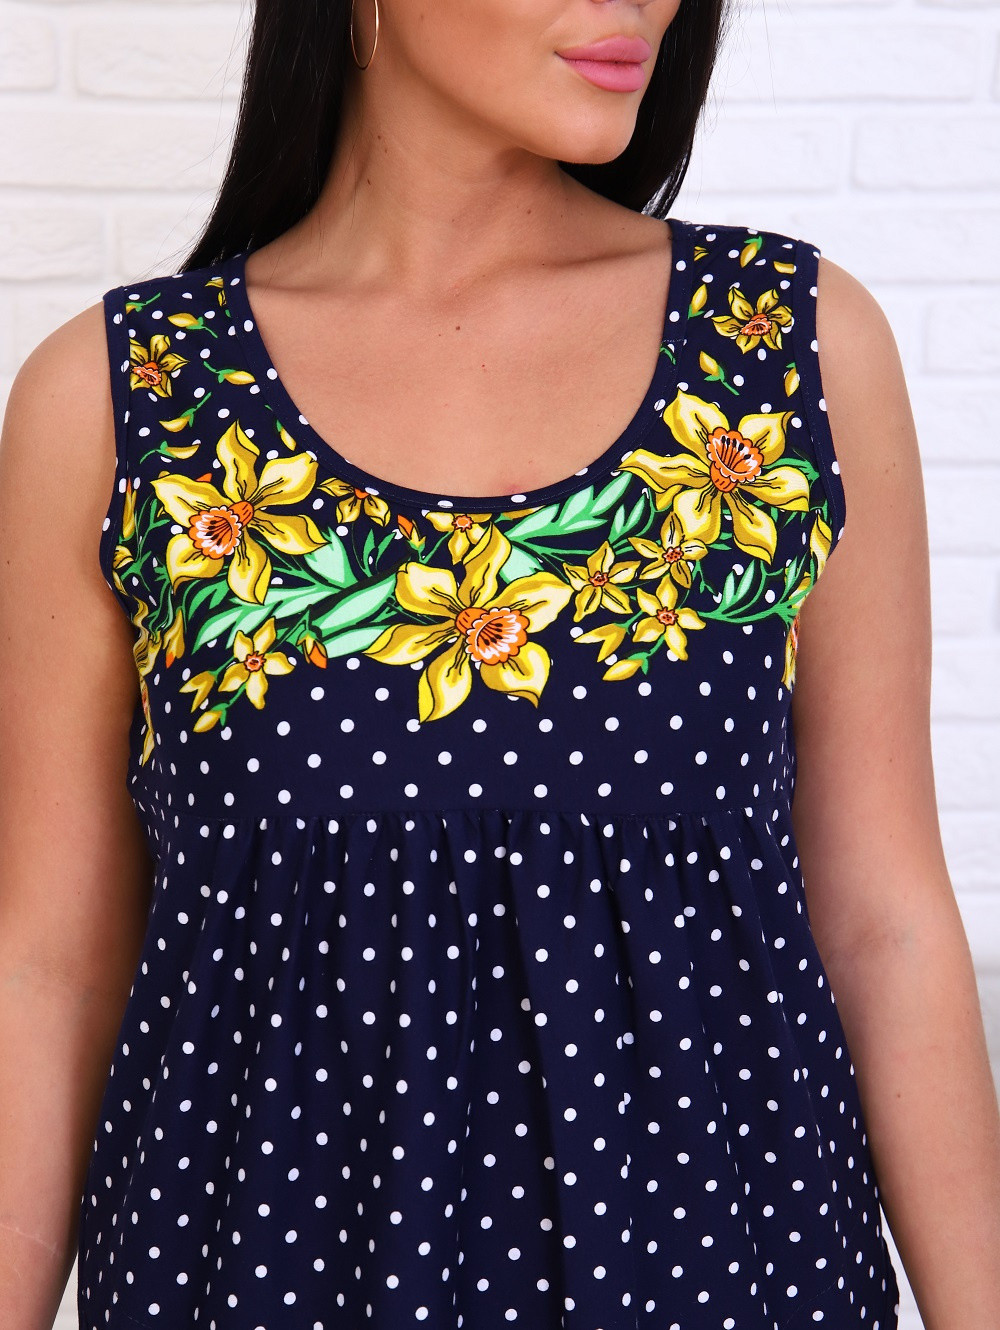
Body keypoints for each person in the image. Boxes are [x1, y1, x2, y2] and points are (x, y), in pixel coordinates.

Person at [2, 0, 999, 1326]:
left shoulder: (783, 359)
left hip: (721, 1277)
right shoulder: (126, 402)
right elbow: (52, 965)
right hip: (262, 1276)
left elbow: (885, 920)